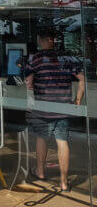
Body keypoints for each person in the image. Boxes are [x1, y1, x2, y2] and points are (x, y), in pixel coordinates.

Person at [24, 29, 85, 192]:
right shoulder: (66, 58)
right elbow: (81, 78)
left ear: (41, 40)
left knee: (42, 138)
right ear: (53, 41)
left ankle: (41, 172)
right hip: (63, 107)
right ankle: (64, 183)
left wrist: (30, 104)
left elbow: (28, 83)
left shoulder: (35, 58)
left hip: (43, 107)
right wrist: (78, 99)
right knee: (62, 142)